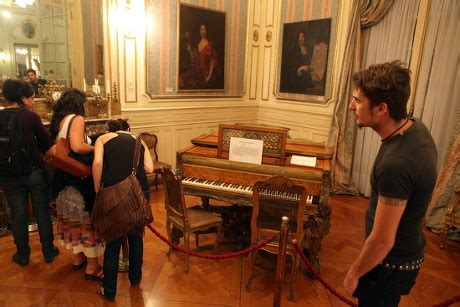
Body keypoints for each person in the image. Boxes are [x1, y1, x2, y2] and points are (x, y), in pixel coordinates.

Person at [344, 61, 438, 306]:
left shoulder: (396, 164)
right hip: (406, 253)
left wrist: (354, 272)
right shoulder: (416, 128)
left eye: (358, 100)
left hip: (388, 264)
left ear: (381, 109)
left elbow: (383, 240)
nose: (351, 106)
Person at [92, 120, 153, 301]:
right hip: (138, 194)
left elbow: (97, 164)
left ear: (110, 130)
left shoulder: (102, 139)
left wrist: (97, 189)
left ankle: (109, 291)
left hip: (113, 195)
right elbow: (149, 168)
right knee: (136, 238)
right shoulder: (139, 141)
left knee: (112, 245)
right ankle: (135, 279)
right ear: (128, 129)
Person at [0, 79, 57, 266]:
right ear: (22, 98)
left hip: (8, 174)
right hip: (33, 173)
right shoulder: (30, 116)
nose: (32, 102)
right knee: (42, 212)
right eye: (31, 98)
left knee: (18, 215)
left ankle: (23, 255)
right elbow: (45, 142)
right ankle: (48, 251)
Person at [49, 88, 104, 280]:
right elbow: (77, 146)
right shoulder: (77, 119)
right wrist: (97, 146)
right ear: (79, 103)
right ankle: (92, 267)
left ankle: (78, 258)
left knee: (73, 221)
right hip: (78, 183)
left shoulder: (60, 120)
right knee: (86, 222)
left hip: (63, 182)